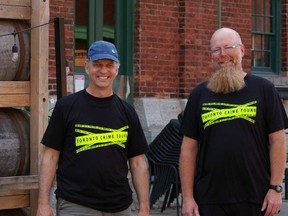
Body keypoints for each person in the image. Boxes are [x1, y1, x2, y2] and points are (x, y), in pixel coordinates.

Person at [179, 27, 288, 216]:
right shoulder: (199, 95)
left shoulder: (264, 89)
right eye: (216, 50)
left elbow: (277, 141)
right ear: (211, 55)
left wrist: (276, 188)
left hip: (256, 198)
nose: (223, 54)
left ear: (243, 50)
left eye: (228, 47)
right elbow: (188, 149)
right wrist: (188, 197)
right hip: (209, 200)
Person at [36, 41, 150, 216]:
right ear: (87, 67)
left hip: (120, 206)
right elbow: (50, 156)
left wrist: (144, 207)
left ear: (116, 69)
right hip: (76, 205)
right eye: (97, 64)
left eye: (109, 65)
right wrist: (43, 203)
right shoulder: (66, 107)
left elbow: (137, 163)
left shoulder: (127, 111)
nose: (103, 71)